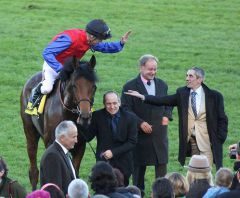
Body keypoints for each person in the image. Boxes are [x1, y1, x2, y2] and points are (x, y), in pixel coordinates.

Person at [125, 66, 228, 170]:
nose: (187, 78)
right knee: (194, 171)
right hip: (191, 141)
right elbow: (163, 100)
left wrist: (219, 138)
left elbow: (222, 119)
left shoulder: (215, 96)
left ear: (200, 79)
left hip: (208, 140)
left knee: (206, 171)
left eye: (191, 76)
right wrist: (143, 97)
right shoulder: (182, 93)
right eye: (186, 76)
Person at [27, 19, 131, 110]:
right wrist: (60, 69)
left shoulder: (90, 41)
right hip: (53, 65)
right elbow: (47, 53)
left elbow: (104, 47)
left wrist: (120, 43)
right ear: (91, 36)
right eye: (99, 39)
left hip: (72, 67)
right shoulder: (70, 39)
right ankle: (36, 93)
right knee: (47, 89)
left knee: (83, 87)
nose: (100, 42)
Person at [121, 54, 173, 195]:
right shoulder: (129, 86)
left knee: (162, 171)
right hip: (139, 136)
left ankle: (162, 195)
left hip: (159, 135)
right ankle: (138, 195)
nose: (153, 72)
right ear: (141, 67)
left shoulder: (162, 84)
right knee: (138, 172)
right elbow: (125, 109)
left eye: (155, 69)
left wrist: (166, 118)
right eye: (150, 69)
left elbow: (168, 104)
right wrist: (140, 123)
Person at [80, 91, 137, 186]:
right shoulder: (97, 116)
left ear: (119, 102)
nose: (112, 106)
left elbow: (132, 142)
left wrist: (113, 152)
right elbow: (88, 137)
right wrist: (82, 124)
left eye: (114, 103)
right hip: (104, 164)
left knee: (121, 192)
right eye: (108, 104)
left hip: (124, 163)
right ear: (104, 104)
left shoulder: (130, 118)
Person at [40, 120, 78, 196]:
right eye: (74, 137)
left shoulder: (63, 153)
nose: (76, 140)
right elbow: (54, 190)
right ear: (62, 138)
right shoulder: (52, 156)